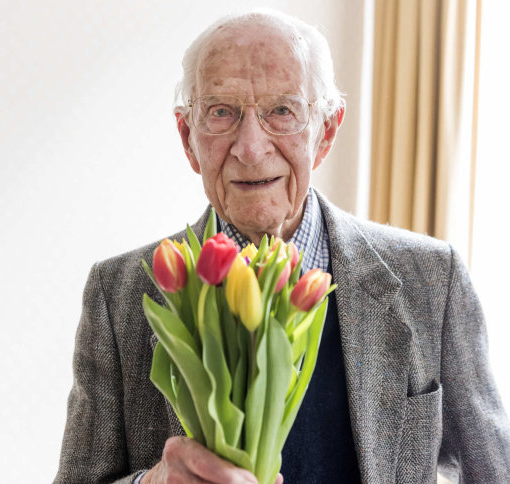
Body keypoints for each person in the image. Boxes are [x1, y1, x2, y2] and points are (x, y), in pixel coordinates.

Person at [55, 9, 510, 484]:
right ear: (188, 138)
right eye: (221, 112)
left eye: (282, 111)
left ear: (326, 131)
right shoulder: (118, 293)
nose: (251, 148)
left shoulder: (433, 279)